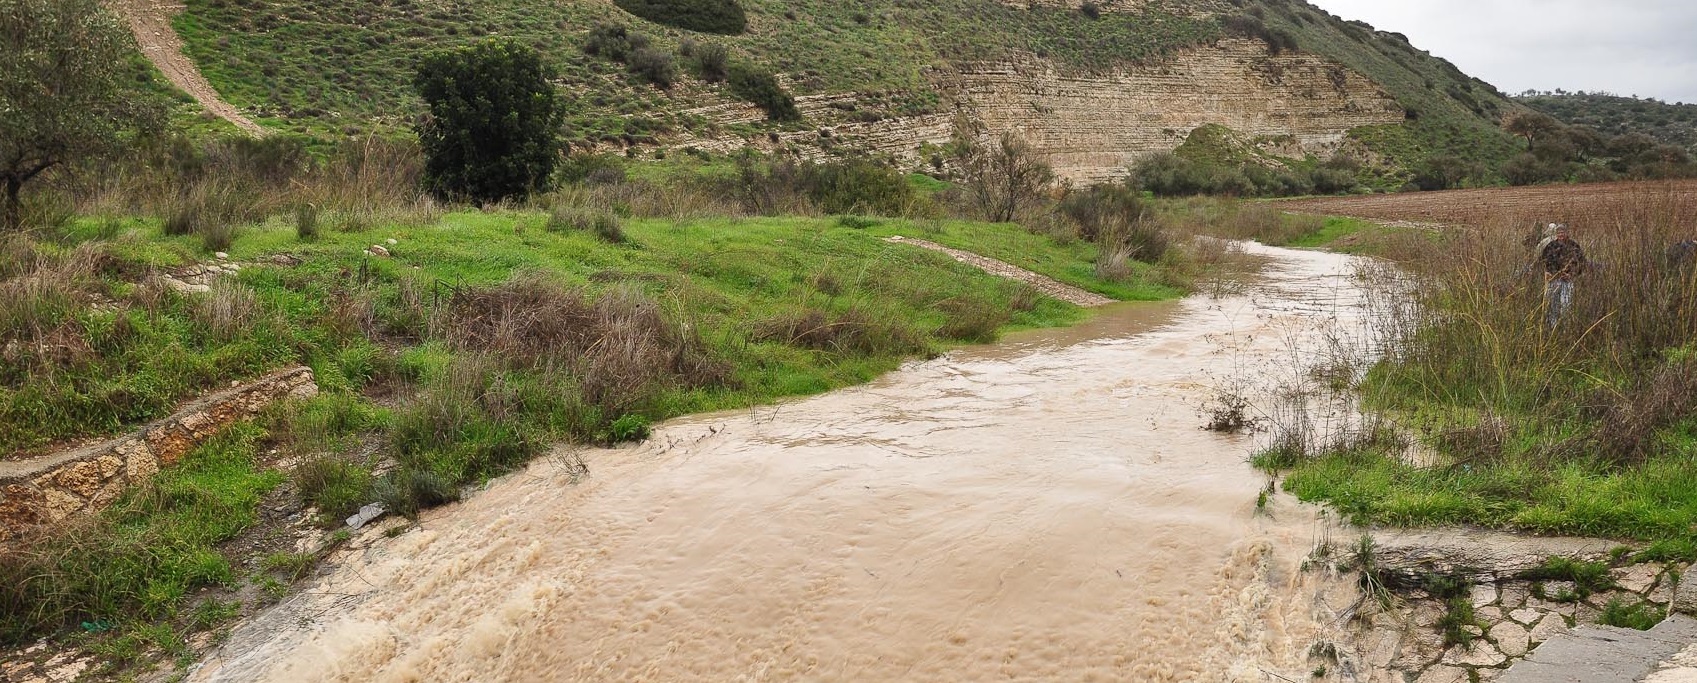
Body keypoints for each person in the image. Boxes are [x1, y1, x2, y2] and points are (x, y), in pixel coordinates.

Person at [1539, 223, 1586, 328]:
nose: (1561, 234)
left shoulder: (1574, 246)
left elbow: (1581, 263)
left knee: (1566, 305)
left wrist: (1572, 275)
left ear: (1567, 233)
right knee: (1552, 305)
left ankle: (1566, 328)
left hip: (1567, 281)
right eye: (1559, 232)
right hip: (1553, 280)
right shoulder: (1550, 246)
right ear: (1556, 234)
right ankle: (1552, 328)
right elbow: (1543, 261)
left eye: (1563, 232)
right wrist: (1547, 272)